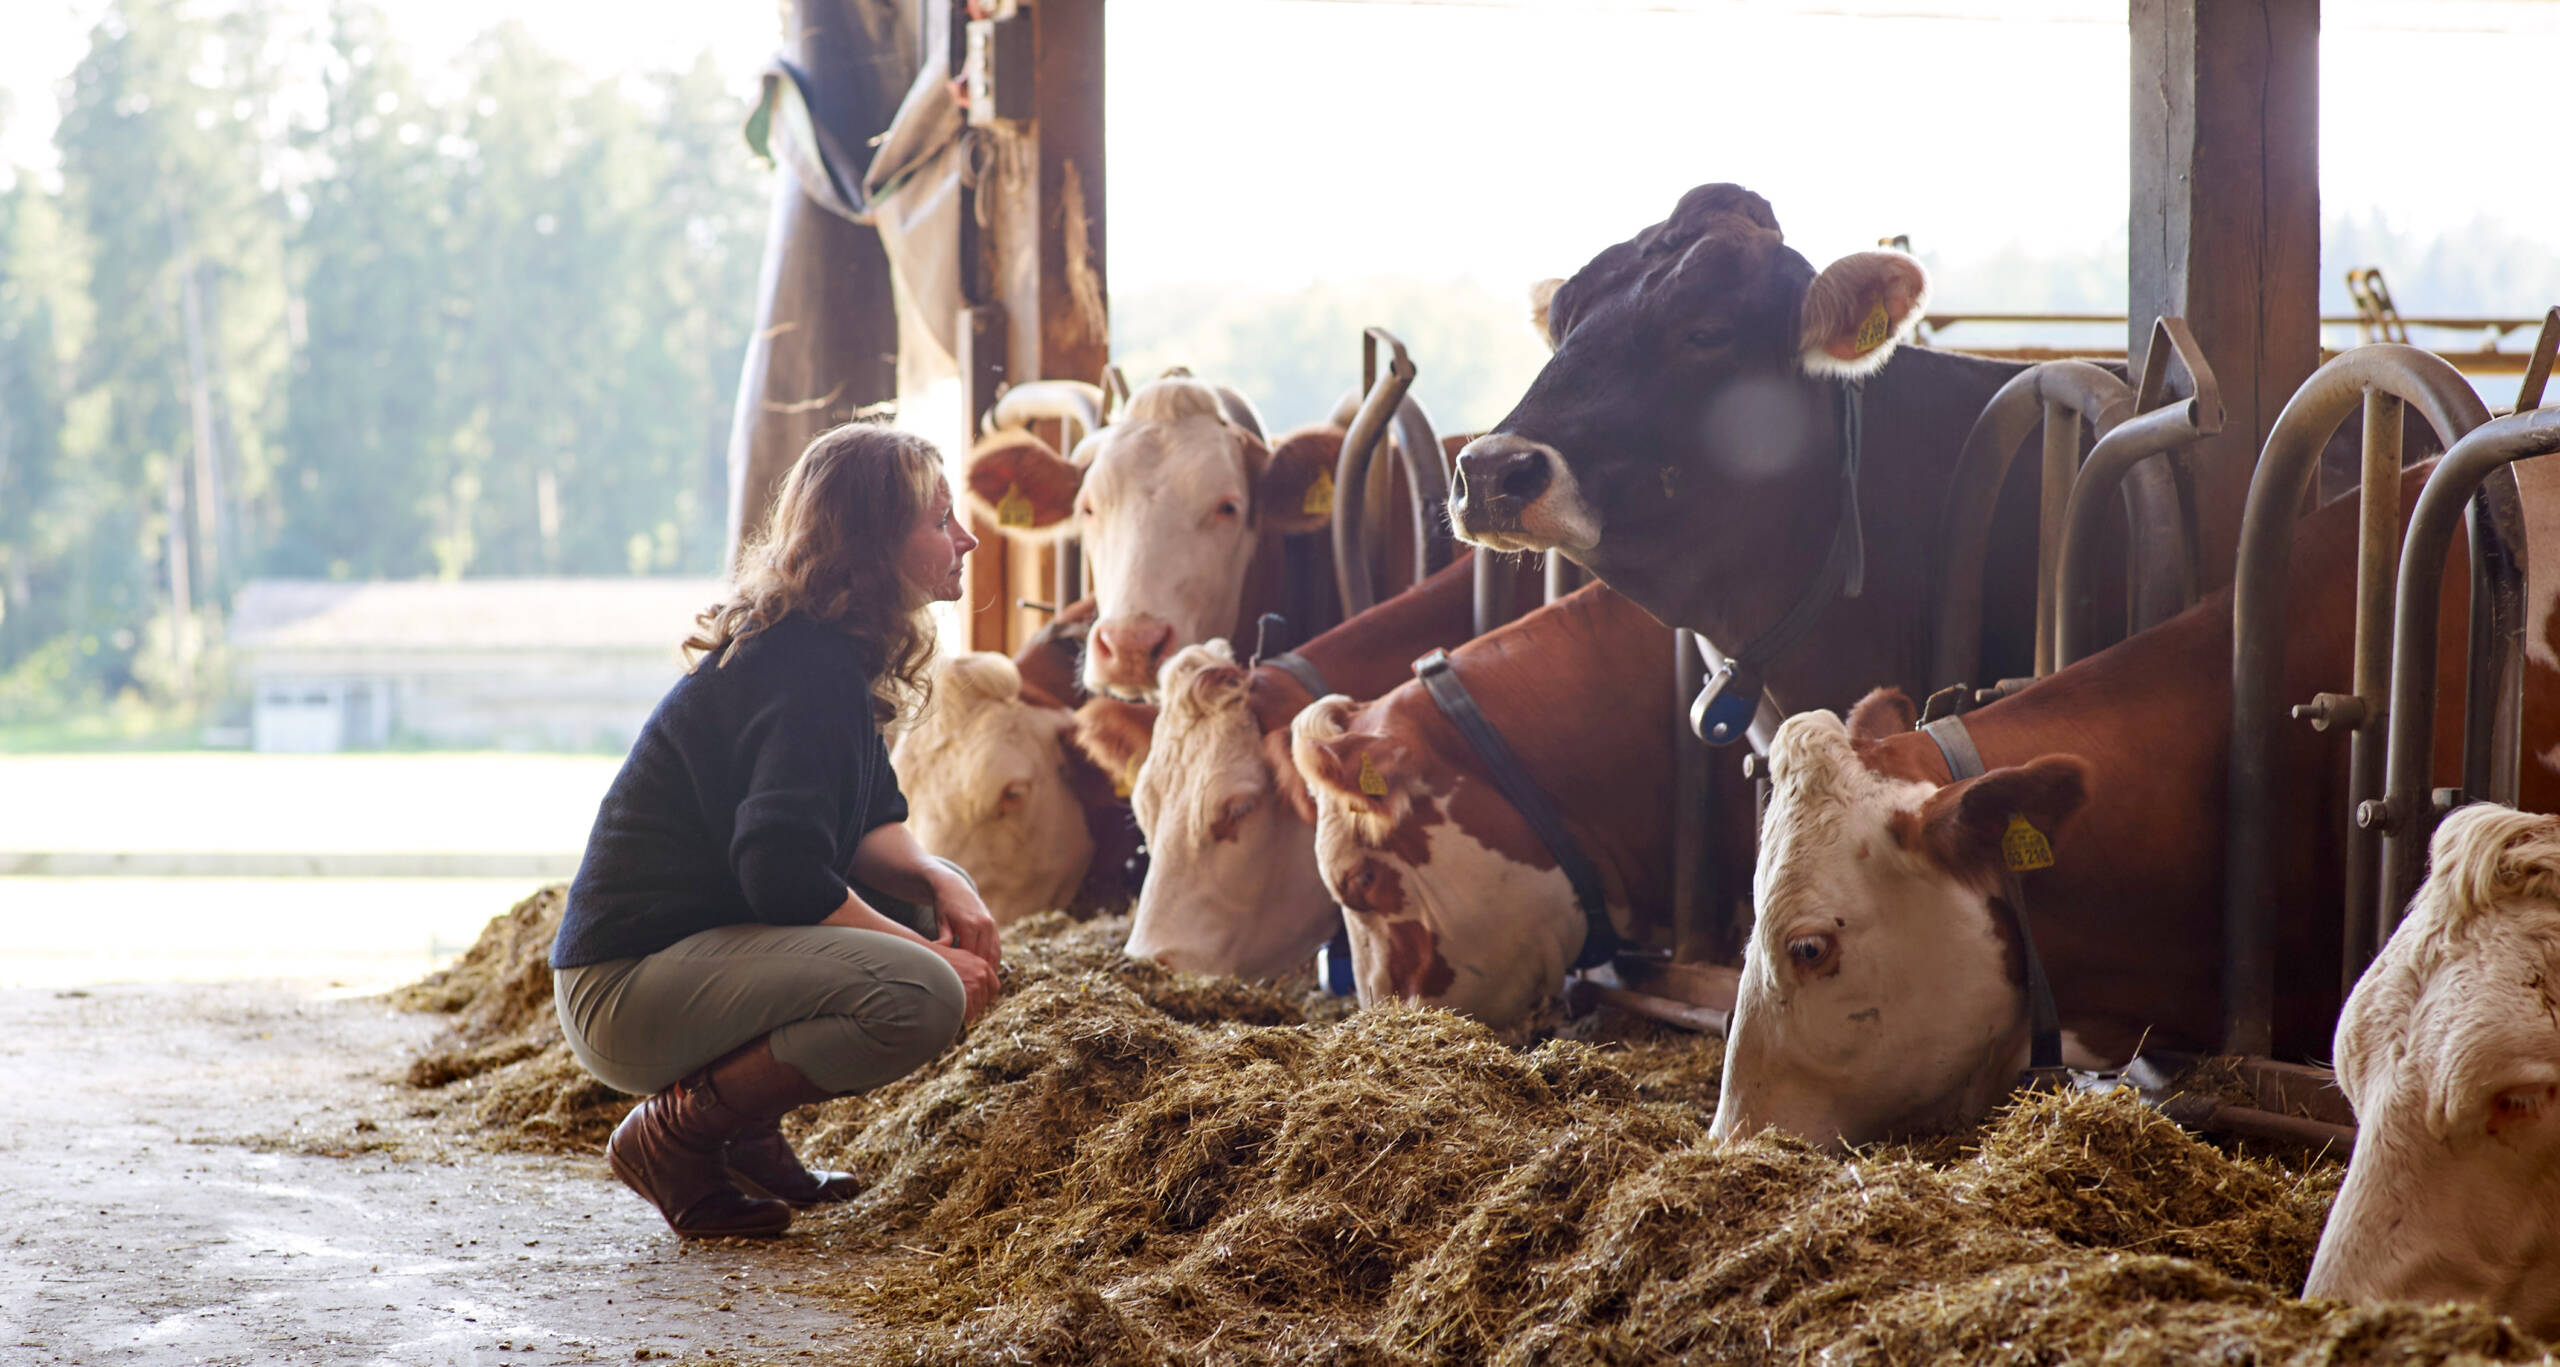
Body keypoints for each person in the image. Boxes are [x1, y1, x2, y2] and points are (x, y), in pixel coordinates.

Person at [548, 421, 1000, 1239]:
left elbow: (870, 822)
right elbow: (783, 871)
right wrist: (933, 959)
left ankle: (742, 1129)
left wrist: (943, 881)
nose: (963, 537)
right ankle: (674, 1135)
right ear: (873, 542)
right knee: (919, 991)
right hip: (622, 992)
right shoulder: (806, 667)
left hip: (672, 969)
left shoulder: (826, 652)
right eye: (939, 519)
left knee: (917, 921)